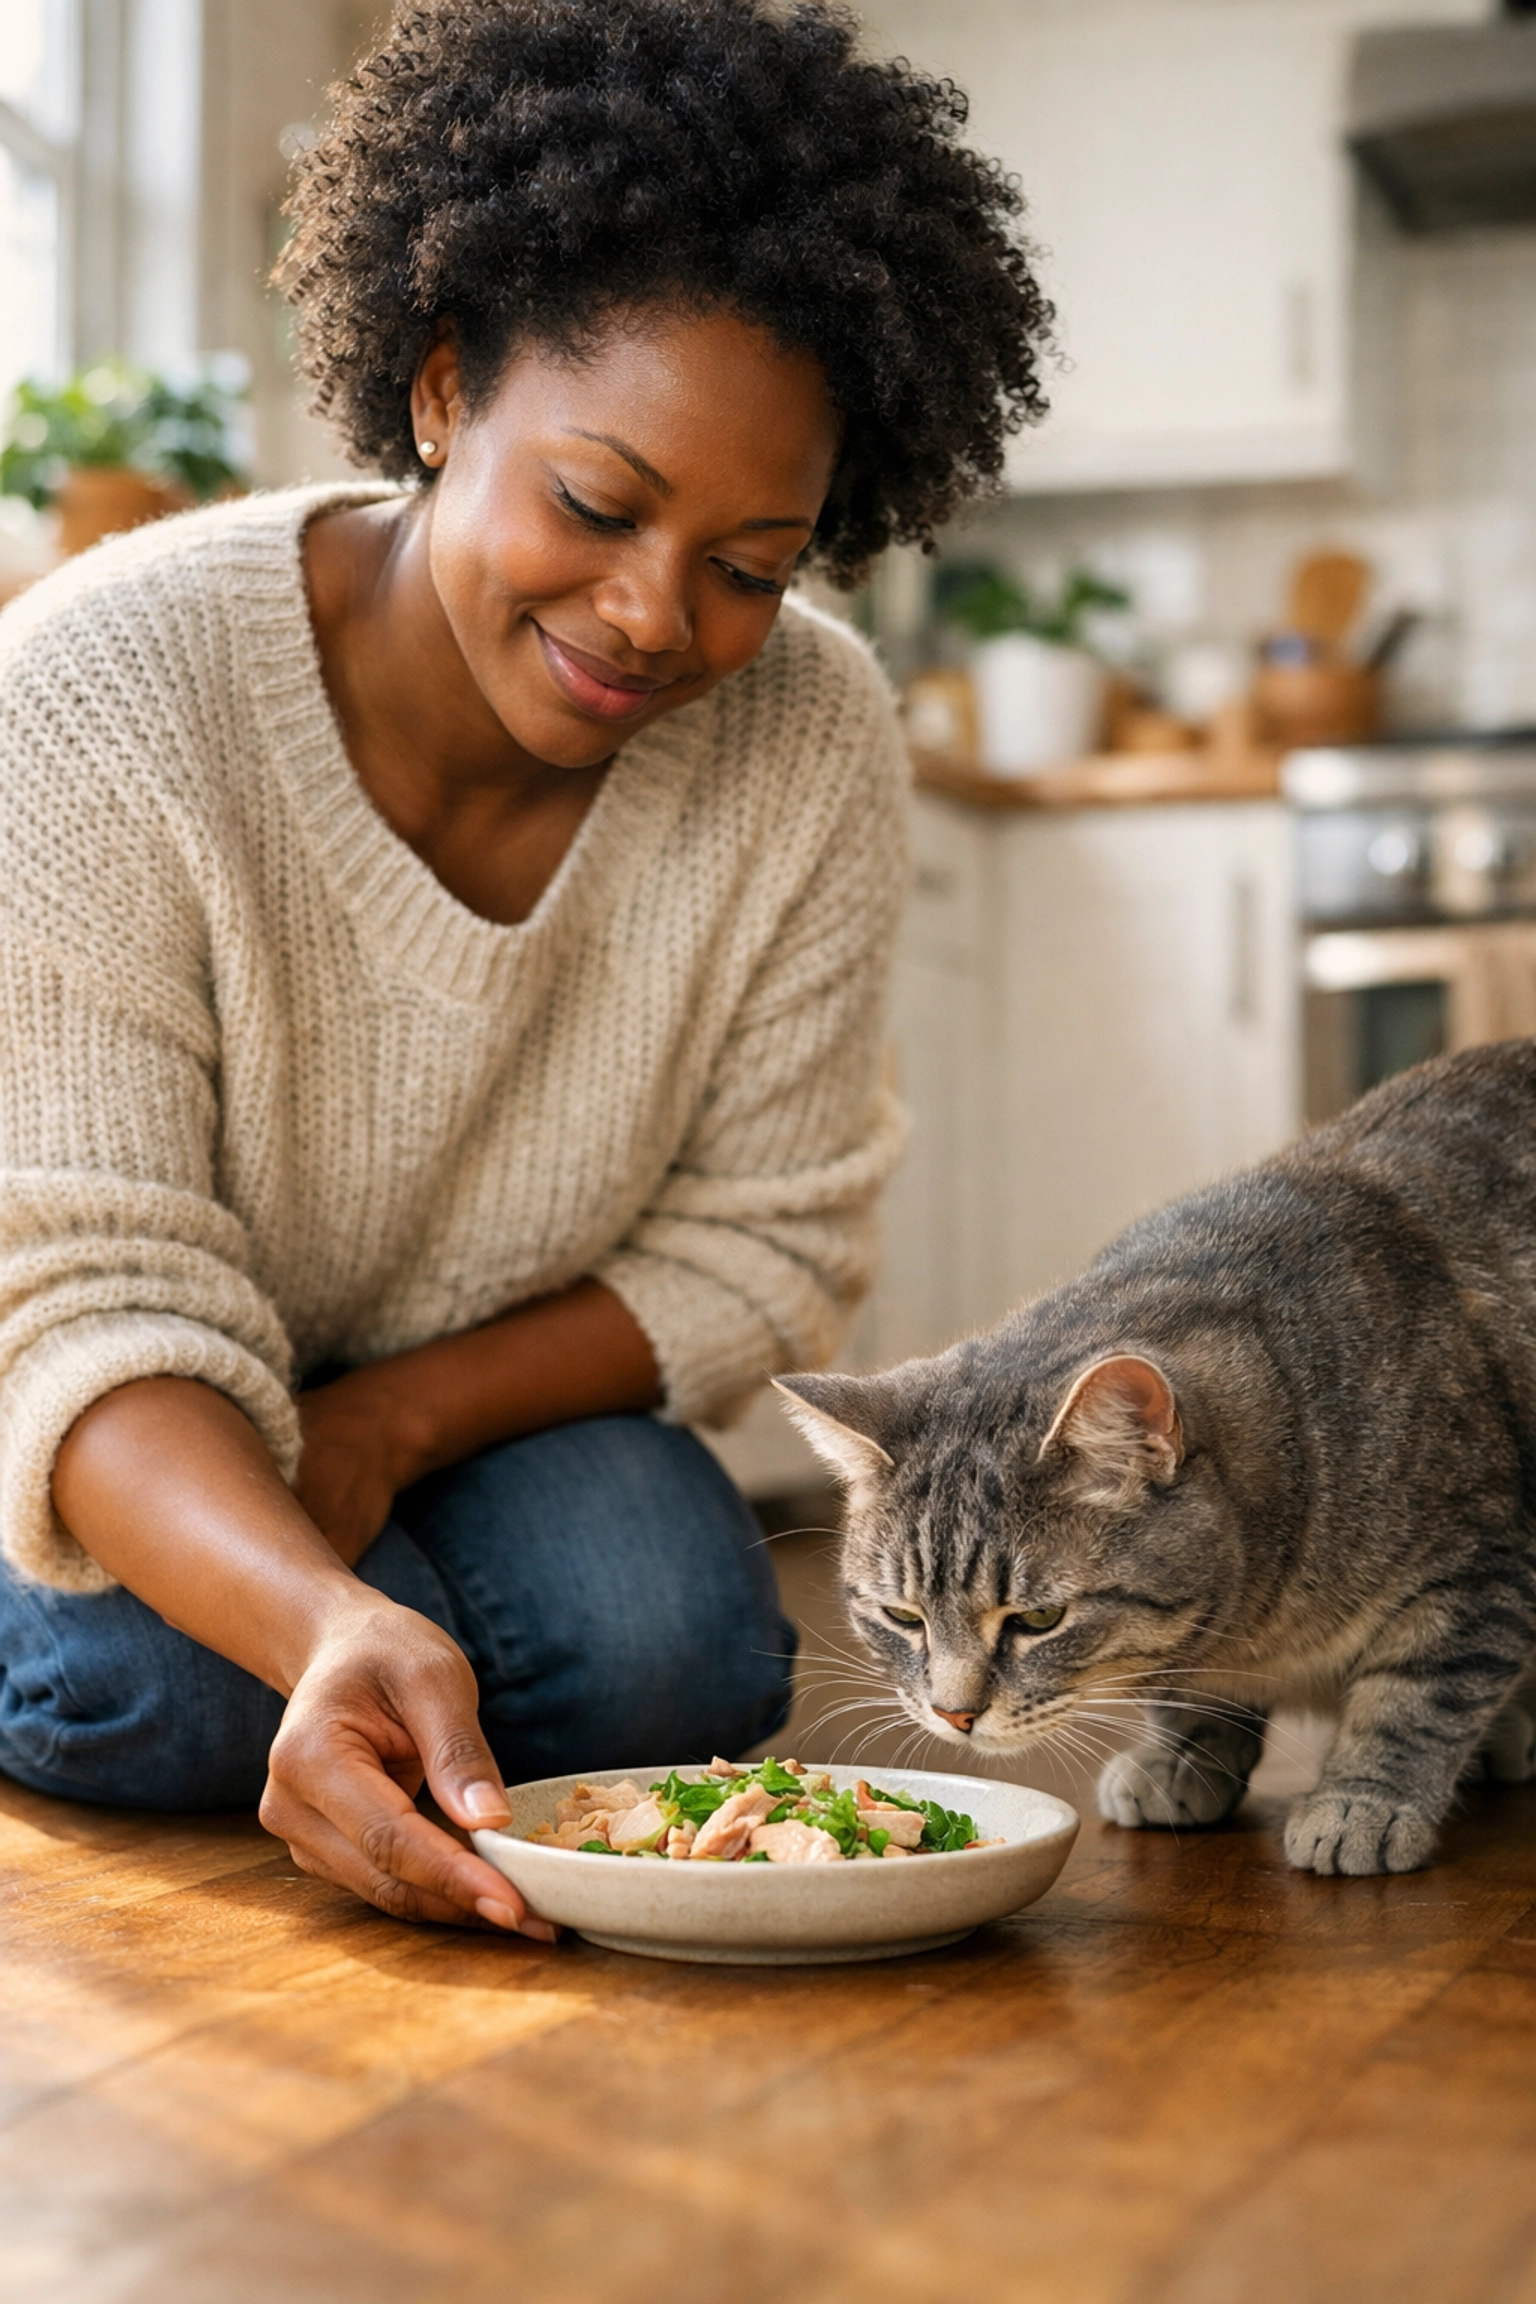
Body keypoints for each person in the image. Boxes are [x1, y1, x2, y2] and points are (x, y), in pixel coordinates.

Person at [0, 0, 1051, 1935]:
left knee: (672, 1660)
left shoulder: (807, 738)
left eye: (752, 563)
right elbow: (85, 1292)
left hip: (481, 1387)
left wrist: (389, 1430)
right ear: (438, 387)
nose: (656, 617)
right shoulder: (98, 691)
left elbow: (763, 1245)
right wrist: (320, 1608)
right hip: (120, 1387)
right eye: (594, 502)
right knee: (151, 1690)